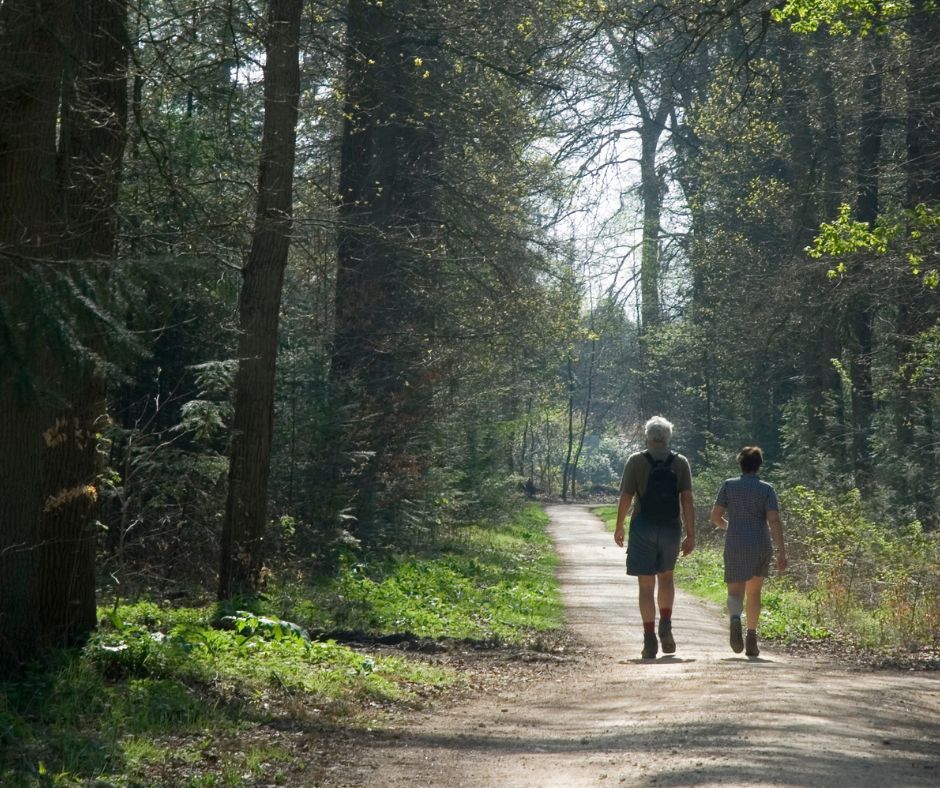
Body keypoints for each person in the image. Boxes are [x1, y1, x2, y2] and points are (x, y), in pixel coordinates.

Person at [614, 416, 695, 659]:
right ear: (668, 437)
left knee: (646, 585)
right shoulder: (680, 462)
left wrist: (620, 526)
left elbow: (626, 497)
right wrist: (691, 534)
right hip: (670, 527)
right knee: (667, 578)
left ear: (647, 436)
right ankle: (666, 625)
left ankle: (649, 638)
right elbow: (687, 500)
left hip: (643, 527)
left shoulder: (636, 461)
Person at [709, 446, 787, 657]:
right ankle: (751, 637)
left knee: (735, 592)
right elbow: (774, 521)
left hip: (735, 542)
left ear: (740, 464)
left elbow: (715, 517)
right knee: (754, 592)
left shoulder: (728, 486)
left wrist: (729, 526)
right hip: (759, 544)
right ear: (759, 465)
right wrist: (781, 551)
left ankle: (735, 618)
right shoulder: (767, 489)